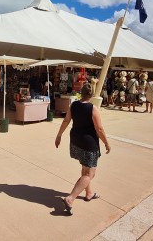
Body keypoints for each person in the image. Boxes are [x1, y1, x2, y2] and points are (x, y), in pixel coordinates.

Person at [55, 83, 111, 215]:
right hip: (88, 143)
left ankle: (89, 193)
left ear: (81, 92)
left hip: (76, 141)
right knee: (90, 173)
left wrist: (59, 135)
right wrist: (106, 143)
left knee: (85, 168)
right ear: (91, 95)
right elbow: (99, 129)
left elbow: (66, 121)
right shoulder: (93, 108)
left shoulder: (73, 105)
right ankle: (70, 198)